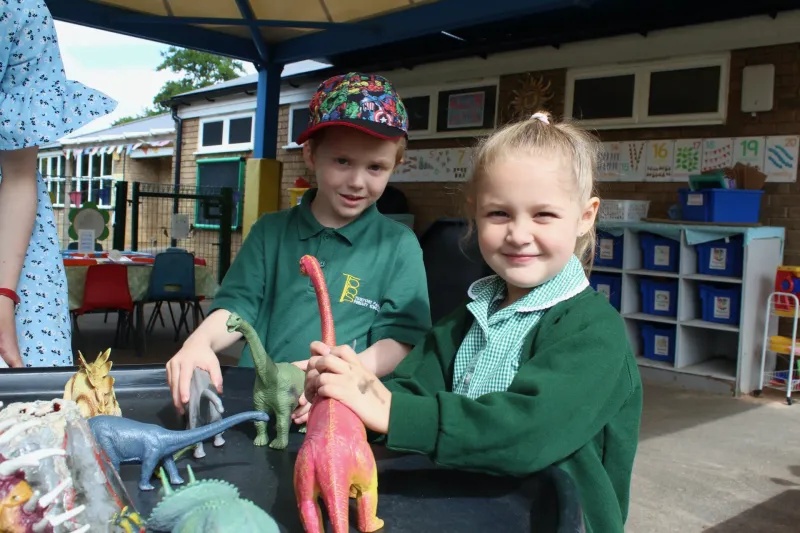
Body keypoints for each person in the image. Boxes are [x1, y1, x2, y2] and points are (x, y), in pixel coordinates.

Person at [303, 112, 643, 533]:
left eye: (543, 215)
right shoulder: (466, 319)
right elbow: (408, 388)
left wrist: (393, 413)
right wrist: (350, 399)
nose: (519, 234)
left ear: (585, 216)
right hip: (473, 512)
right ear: (474, 214)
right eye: (499, 213)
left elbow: (527, 432)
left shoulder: (594, 335)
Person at [166, 72, 432, 419]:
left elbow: (401, 339)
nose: (356, 181)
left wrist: (339, 377)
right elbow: (237, 306)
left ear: (396, 165)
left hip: (341, 409)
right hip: (256, 402)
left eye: (375, 167)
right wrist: (199, 342)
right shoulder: (269, 232)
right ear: (310, 154)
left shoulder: (399, 245)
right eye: (342, 161)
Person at [0, 0, 117, 367]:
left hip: (11, 246)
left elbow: (18, 172)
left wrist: (4, 294)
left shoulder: (20, 9)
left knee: (31, 401)